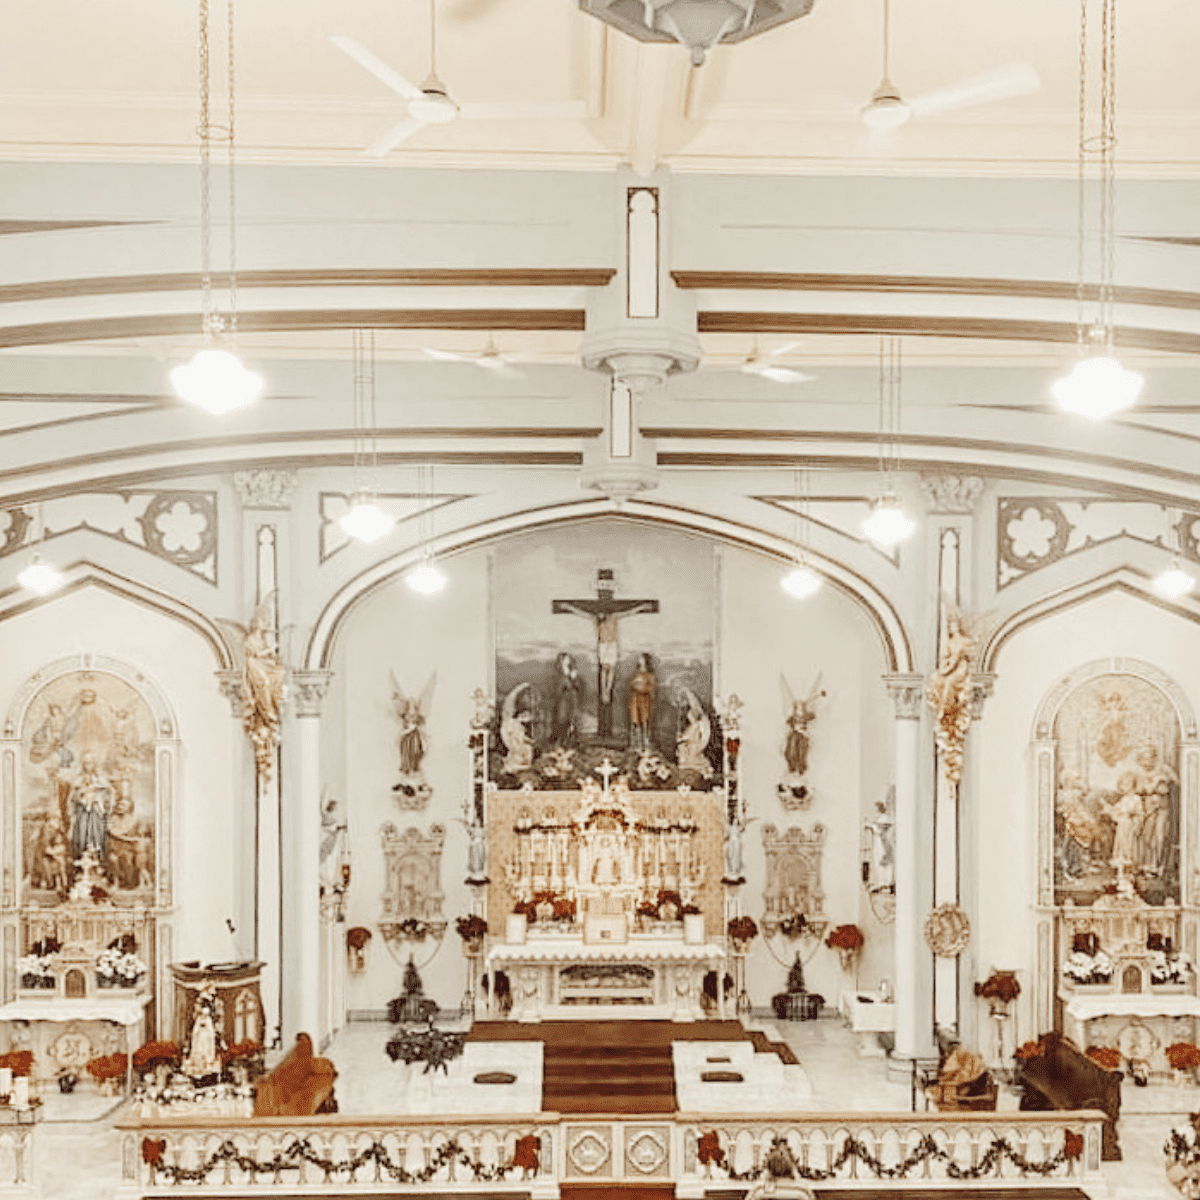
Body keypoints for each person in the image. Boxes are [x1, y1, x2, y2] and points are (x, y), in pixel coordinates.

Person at [67, 752, 113, 869]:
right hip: (82, 814)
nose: (88, 766)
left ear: (94, 764)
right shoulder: (78, 780)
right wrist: (81, 796)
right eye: (86, 763)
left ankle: (98, 864)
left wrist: (98, 799)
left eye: (90, 763)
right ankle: (81, 866)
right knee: (82, 837)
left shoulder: (101, 779)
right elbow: (71, 799)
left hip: (96, 814)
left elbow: (109, 795)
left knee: (97, 837)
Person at [549, 652, 581, 746]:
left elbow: (576, 686)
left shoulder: (572, 670)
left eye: (569, 658)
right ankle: (560, 741)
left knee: (572, 719)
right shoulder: (558, 671)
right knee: (562, 719)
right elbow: (559, 687)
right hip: (563, 700)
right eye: (566, 659)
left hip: (572, 698)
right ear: (562, 660)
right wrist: (567, 680)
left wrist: (574, 678)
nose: (568, 660)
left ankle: (571, 741)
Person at [628, 653, 656, 750]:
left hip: (644, 702)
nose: (639, 660)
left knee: (644, 722)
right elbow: (631, 685)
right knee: (635, 723)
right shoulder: (636, 673)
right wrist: (635, 685)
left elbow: (651, 689)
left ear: (645, 660)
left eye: (641, 658)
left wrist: (641, 688)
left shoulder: (649, 674)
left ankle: (645, 744)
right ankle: (636, 744)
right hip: (635, 701)